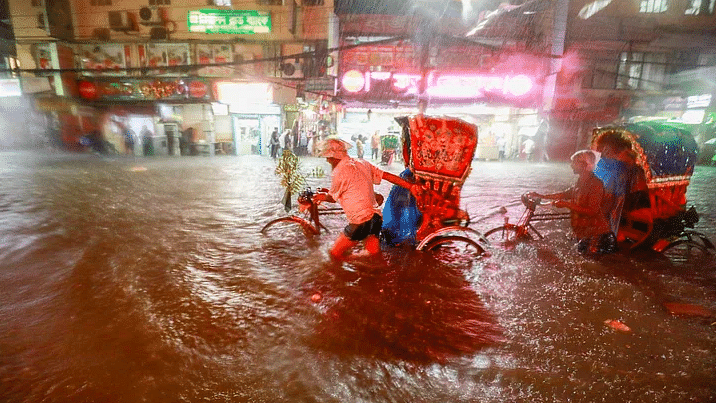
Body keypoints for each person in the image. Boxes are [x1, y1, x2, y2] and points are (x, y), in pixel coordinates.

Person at [312, 138, 421, 262]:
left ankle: (347, 269)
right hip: (375, 219)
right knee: (373, 255)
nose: (327, 160)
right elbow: (386, 176)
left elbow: (331, 198)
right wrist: (410, 186)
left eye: (328, 158)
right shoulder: (362, 163)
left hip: (360, 222)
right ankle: (376, 274)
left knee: (334, 255)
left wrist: (321, 196)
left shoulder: (338, 172)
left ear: (333, 157)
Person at [530, 150, 616, 255]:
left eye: (574, 162)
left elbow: (592, 211)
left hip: (597, 236)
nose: (571, 165)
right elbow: (564, 194)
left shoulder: (595, 184)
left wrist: (567, 204)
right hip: (585, 234)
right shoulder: (581, 181)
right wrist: (540, 196)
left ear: (584, 165)